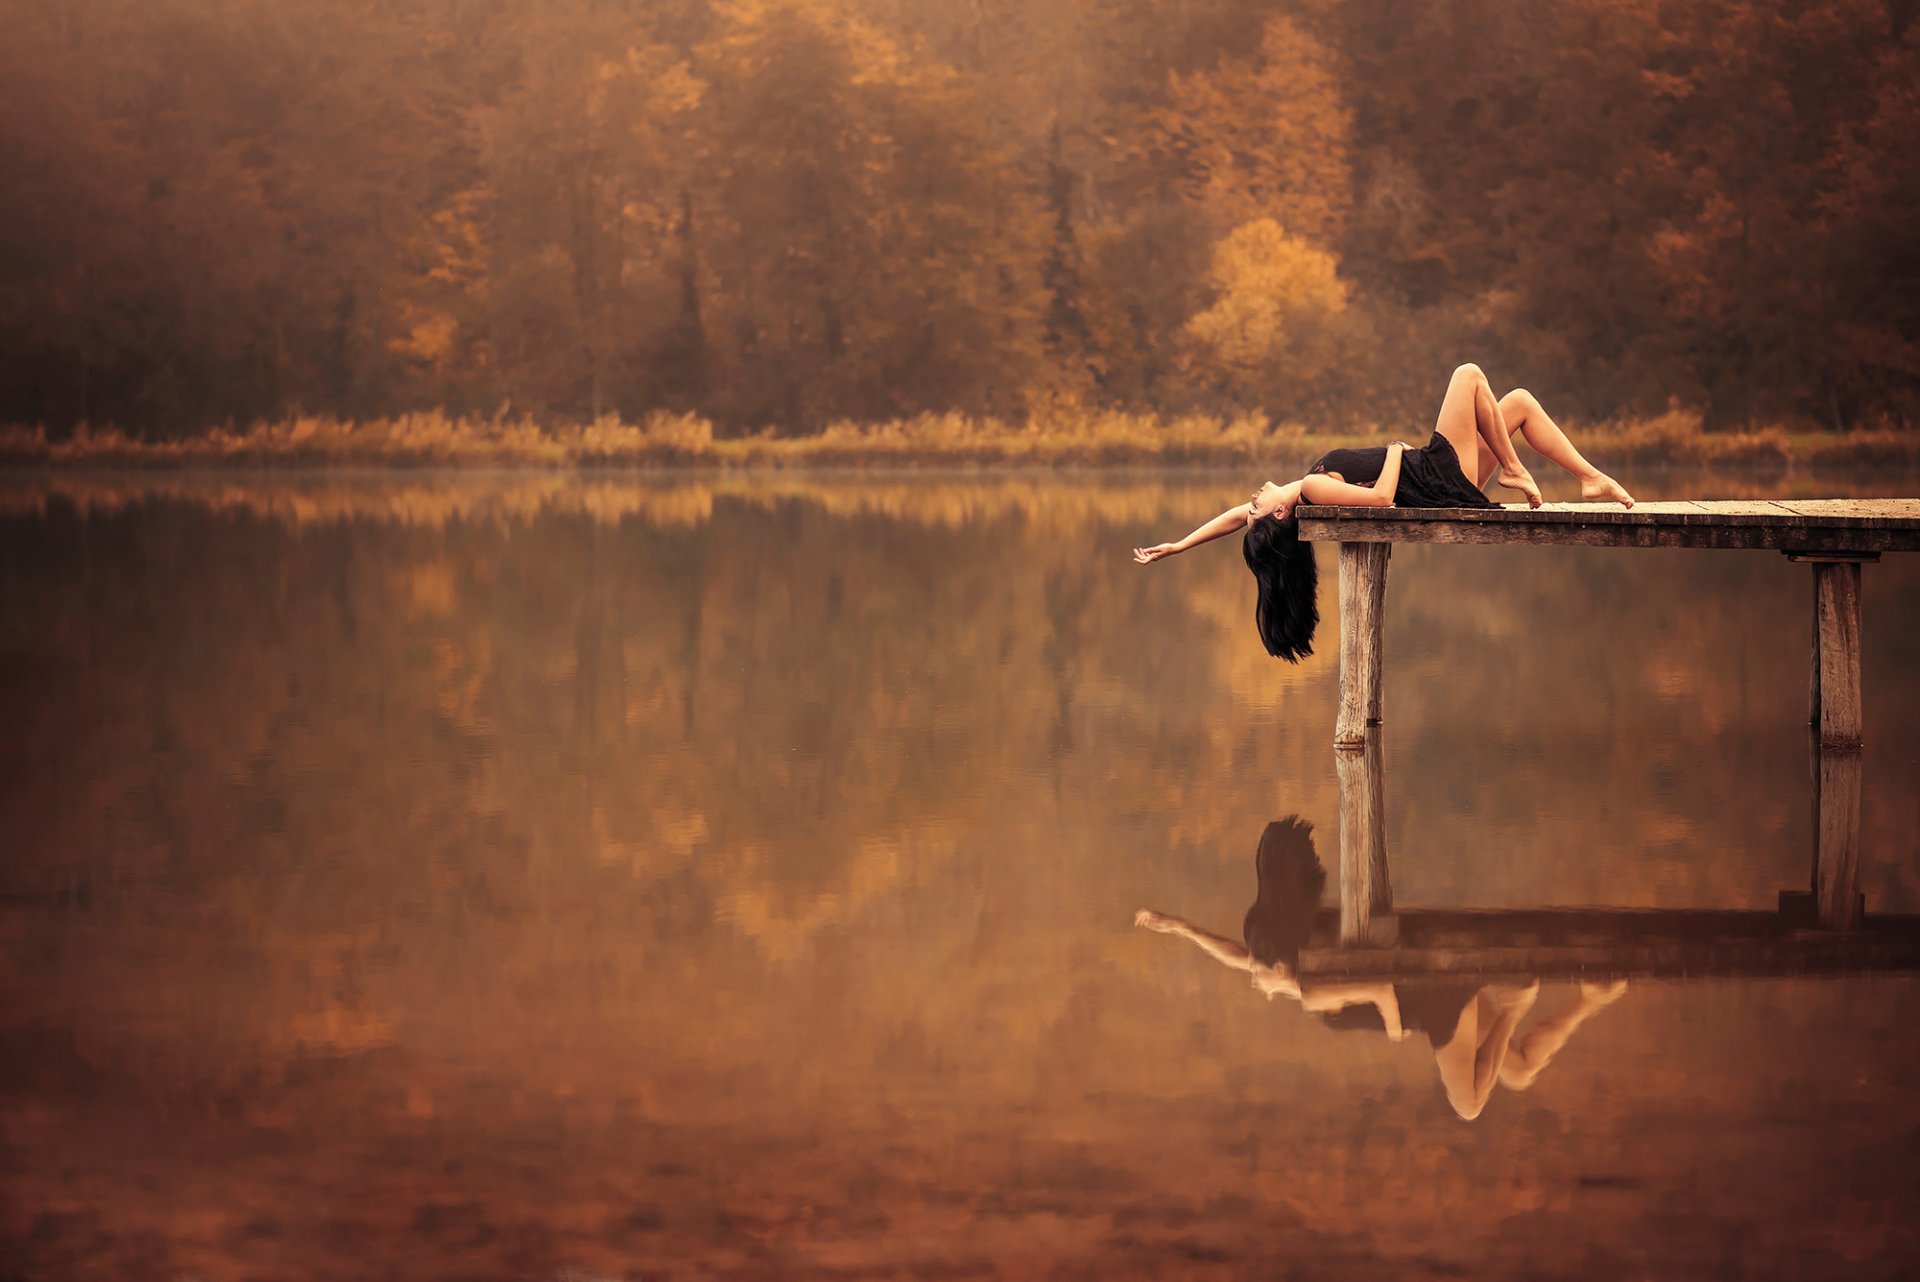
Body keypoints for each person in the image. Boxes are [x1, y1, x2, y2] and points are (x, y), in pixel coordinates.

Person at [1133, 816, 1628, 1121]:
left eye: (1264, 975)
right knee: (1515, 1071)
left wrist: (1392, 1025)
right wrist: (1180, 928)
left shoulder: (1308, 987)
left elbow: (1383, 993)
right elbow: (1240, 956)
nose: (1255, 980)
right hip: (1427, 977)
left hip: (1433, 1002)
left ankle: (1518, 1007)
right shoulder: (1294, 936)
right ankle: (1590, 1001)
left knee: (1472, 1103)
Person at [1130, 364, 1635, 660]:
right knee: (1468, 375)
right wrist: (1395, 451)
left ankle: (1589, 477)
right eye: (1258, 505)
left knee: (1519, 403)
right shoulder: (1307, 489)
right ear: (1279, 515)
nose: (1254, 498)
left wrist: (1177, 546)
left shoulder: (1298, 499)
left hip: (1438, 477)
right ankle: (1514, 470)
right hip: (1433, 473)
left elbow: (1231, 517)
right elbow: (1380, 500)